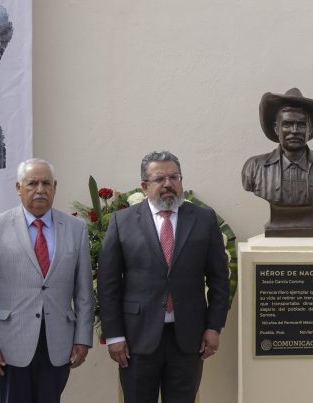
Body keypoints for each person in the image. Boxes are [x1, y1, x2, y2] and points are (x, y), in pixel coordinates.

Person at [97, 151, 230, 403]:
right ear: (145, 186)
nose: (168, 184)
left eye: (174, 177)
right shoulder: (122, 221)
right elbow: (108, 284)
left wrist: (214, 326)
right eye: (160, 179)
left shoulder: (203, 219)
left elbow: (219, 279)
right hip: (137, 339)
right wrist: (114, 335)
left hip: (188, 339)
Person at [0, 158, 93, 403]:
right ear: (18, 187)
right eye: (32, 183)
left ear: (55, 186)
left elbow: (84, 292)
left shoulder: (76, 229)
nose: (40, 189)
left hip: (57, 345)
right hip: (8, 347)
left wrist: (83, 338)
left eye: (46, 183)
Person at [241, 88, 313, 236]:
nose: (294, 130)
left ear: (310, 129)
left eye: (302, 125)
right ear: (276, 128)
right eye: (287, 124)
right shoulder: (254, 167)